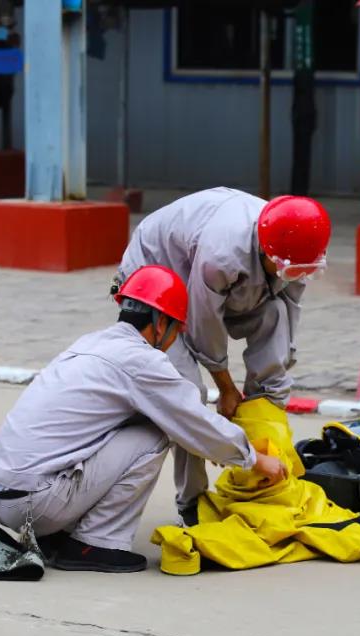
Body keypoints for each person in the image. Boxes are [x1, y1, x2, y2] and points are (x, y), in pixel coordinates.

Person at [0, 265, 286, 573]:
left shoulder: (91, 342)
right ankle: (94, 543)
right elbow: (192, 420)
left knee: (130, 423)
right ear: (160, 322)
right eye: (177, 329)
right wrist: (253, 458)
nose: (176, 338)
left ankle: (58, 531)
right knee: (155, 433)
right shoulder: (141, 360)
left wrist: (217, 446)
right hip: (33, 504)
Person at [113, 188, 331, 525]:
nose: (298, 277)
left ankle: (263, 476)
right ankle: (191, 502)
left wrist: (275, 379)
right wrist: (226, 390)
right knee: (188, 394)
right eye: (292, 271)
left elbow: (289, 311)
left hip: (213, 274)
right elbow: (203, 327)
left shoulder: (297, 248)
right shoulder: (222, 256)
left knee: (274, 317)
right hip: (156, 277)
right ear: (268, 251)